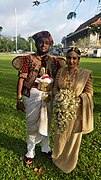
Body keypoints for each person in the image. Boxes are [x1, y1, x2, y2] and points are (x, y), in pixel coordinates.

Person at [12, 30, 65, 168]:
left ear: (49, 45)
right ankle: (30, 152)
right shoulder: (27, 60)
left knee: (47, 122)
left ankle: (45, 148)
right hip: (32, 95)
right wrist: (19, 100)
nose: (43, 45)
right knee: (31, 123)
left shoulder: (55, 62)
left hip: (49, 96)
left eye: (46, 43)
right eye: (41, 42)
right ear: (36, 43)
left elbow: (63, 78)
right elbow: (21, 80)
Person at [52, 47, 94, 173]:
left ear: (78, 60)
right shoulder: (61, 71)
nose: (71, 61)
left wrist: (73, 100)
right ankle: (57, 156)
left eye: (74, 58)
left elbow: (89, 93)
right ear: (65, 59)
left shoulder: (86, 74)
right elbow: (55, 88)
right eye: (69, 58)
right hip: (61, 110)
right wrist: (59, 98)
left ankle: (68, 162)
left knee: (73, 136)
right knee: (59, 134)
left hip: (76, 111)